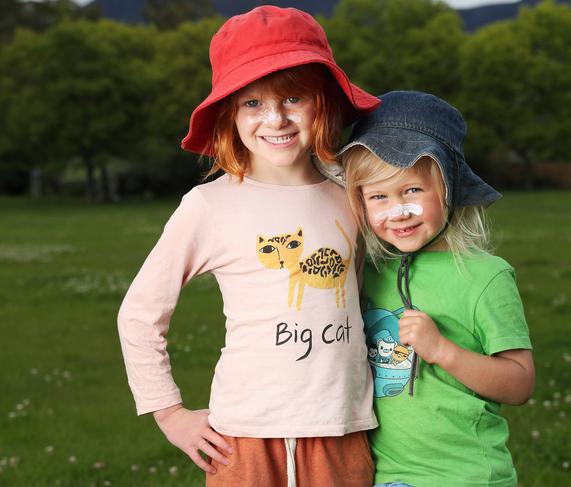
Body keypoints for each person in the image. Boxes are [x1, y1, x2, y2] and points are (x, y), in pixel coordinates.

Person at [117, 6, 381, 486]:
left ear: (323, 102)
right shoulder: (209, 206)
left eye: (293, 97)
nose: (275, 118)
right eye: (252, 104)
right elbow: (139, 314)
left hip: (342, 426)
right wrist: (169, 413)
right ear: (229, 114)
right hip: (244, 434)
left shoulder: (354, 192)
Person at [341, 91, 535, 487]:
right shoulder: (369, 272)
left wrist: (442, 350)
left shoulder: (485, 277)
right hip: (386, 475)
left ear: (449, 187)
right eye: (379, 196)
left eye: (412, 190)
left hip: (465, 475)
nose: (398, 211)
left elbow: (519, 384)